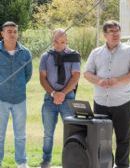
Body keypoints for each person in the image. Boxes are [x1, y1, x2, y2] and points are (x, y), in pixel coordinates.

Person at [84, 20, 130, 168]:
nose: (115, 34)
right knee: (102, 140)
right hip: (101, 103)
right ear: (105, 35)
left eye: (117, 31)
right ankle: (105, 165)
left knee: (123, 138)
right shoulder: (96, 53)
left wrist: (118, 80)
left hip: (123, 102)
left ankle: (122, 166)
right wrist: (98, 81)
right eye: (112, 32)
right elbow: (86, 73)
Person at [39, 28, 80, 168]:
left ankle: (69, 161)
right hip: (49, 99)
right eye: (56, 41)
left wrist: (62, 93)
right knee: (48, 133)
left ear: (66, 41)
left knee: (70, 132)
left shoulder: (74, 55)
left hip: (67, 98)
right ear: (52, 41)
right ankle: (46, 161)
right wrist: (53, 94)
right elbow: (42, 78)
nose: (59, 45)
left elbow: (75, 77)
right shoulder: (46, 56)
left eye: (62, 41)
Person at [0, 21, 32, 168]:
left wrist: (17, 86)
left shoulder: (25, 53)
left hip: (20, 99)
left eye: (14, 31)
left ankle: (21, 162)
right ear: (2, 34)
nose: (12, 34)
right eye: (9, 31)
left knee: (20, 135)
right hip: (1, 99)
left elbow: (28, 75)